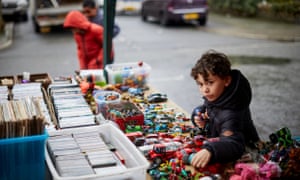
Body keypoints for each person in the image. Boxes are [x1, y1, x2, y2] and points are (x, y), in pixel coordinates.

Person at [189, 50, 261, 168]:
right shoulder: (218, 95)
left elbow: (233, 144)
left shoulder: (232, 111)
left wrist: (211, 150)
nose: (205, 90)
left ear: (226, 80)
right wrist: (199, 116)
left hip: (247, 151)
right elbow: (207, 108)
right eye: (200, 84)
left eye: (210, 83)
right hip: (222, 142)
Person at [82, 0, 120, 65]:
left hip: (104, 51)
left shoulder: (103, 18)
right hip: (92, 53)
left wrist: (105, 37)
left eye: (88, 11)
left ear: (95, 9)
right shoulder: (86, 19)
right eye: (84, 12)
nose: (86, 14)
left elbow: (116, 29)